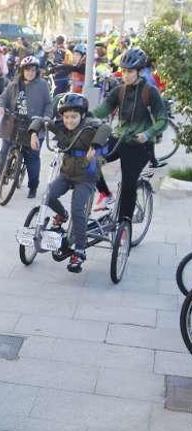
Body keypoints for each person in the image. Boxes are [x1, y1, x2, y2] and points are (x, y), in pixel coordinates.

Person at [29, 93, 111, 272]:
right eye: (66, 117)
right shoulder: (61, 126)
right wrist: (34, 133)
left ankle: (79, 250)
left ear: (82, 115)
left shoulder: (90, 126)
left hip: (86, 177)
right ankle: (62, 215)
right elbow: (43, 120)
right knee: (47, 195)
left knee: (78, 209)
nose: (70, 120)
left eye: (74, 116)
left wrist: (95, 145)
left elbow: (105, 128)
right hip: (66, 174)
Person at [91, 47, 167, 219]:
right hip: (119, 139)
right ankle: (104, 193)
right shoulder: (119, 90)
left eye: (130, 71)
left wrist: (147, 134)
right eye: (123, 71)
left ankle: (124, 226)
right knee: (90, 162)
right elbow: (102, 110)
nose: (125, 75)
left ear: (139, 72)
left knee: (127, 185)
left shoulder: (150, 92)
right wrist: (82, 115)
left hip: (140, 146)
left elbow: (162, 120)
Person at [0, 56, 52, 198]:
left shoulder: (42, 85)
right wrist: (0, 106)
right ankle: (3, 176)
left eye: (33, 70)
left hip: (34, 125)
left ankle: (33, 186)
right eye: (27, 70)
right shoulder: (14, 83)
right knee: (4, 150)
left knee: (32, 157)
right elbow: (3, 97)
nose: (30, 73)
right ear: (22, 71)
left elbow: (49, 104)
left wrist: (46, 118)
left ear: (37, 71)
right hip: (13, 122)